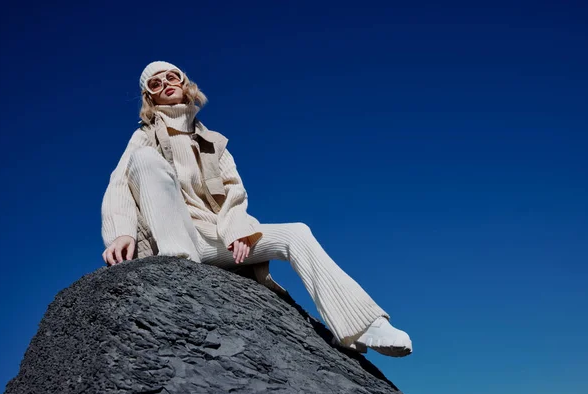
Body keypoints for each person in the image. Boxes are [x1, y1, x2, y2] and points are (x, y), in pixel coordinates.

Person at [100, 61, 413, 357]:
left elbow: (235, 192)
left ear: (184, 83)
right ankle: (181, 273)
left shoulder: (213, 142)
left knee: (297, 233)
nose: (166, 83)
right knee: (143, 161)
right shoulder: (143, 136)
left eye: (172, 77)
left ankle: (362, 325)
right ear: (149, 96)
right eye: (156, 83)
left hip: (214, 237)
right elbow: (119, 184)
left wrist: (237, 230)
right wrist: (120, 233)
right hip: (175, 240)